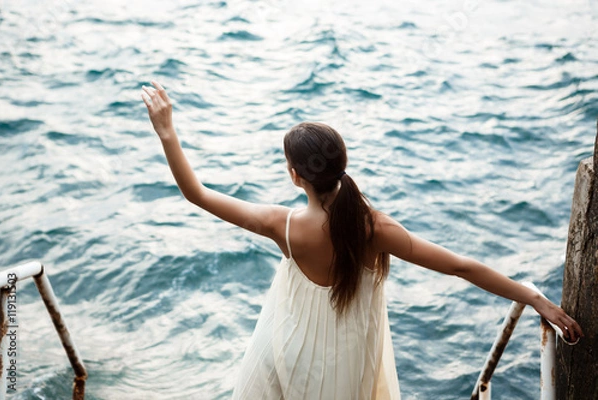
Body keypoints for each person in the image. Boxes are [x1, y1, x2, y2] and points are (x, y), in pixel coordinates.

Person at [141, 81, 583, 399]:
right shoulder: (376, 229)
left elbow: (195, 193)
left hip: (285, 348)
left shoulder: (284, 226)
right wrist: (532, 297)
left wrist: (167, 131)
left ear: (295, 176)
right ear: (342, 164)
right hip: (345, 364)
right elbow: (461, 266)